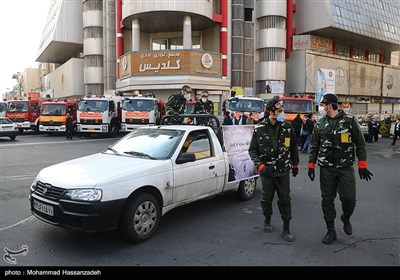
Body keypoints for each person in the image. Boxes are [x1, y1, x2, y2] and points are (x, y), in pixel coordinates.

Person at [307, 93, 373, 245]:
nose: (322, 108)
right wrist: (311, 165)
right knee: (327, 200)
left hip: (345, 168)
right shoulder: (319, 123)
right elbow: (314, 145)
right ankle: (331, 231)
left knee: (349, 198)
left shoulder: (349, 121)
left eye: (323, 105)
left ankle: (346, 217)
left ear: (329, 105)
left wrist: (362, 165)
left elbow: (360, 143)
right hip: (326, 169)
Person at [248, 96, 299, 242]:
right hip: (267, 172)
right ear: (271, 111)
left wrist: (295, 164)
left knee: (285, 199)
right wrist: (261, 166)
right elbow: (252, 151)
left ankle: (286, 228)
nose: (282, 112)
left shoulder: (287, 127)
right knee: (267, 199)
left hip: (283, 171)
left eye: (282, 109)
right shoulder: (259, 128)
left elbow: (294, 147)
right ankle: (267, 219)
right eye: (279, 110)